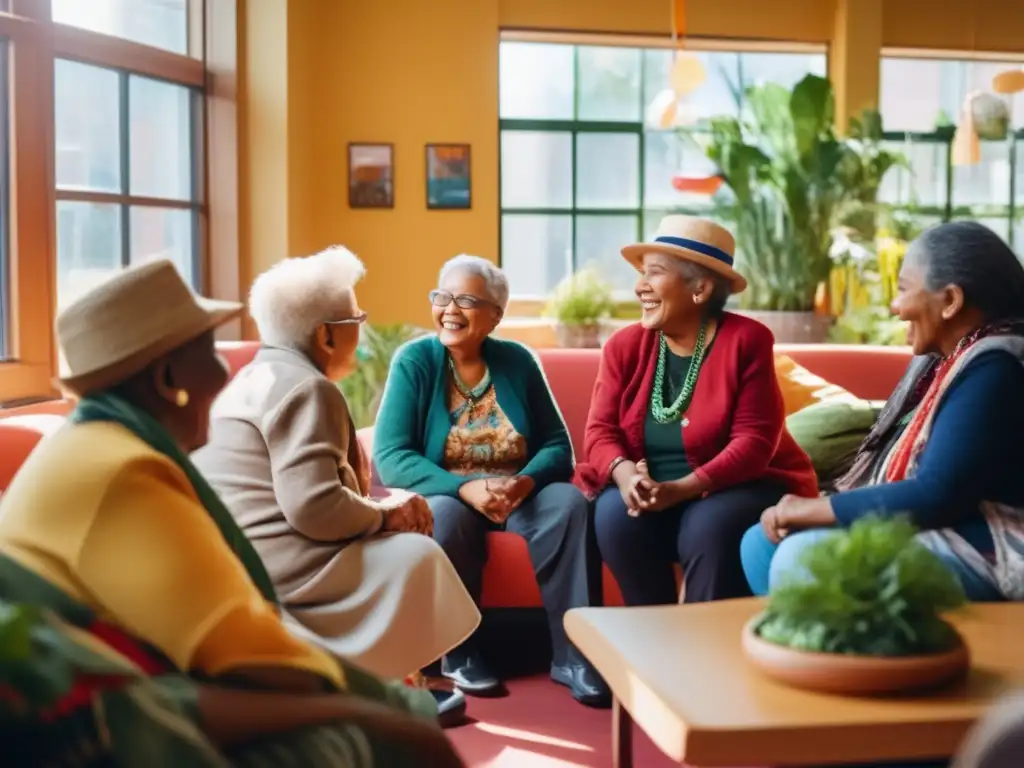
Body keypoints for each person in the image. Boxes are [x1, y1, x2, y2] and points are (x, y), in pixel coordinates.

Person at [0, 260, 463, 766]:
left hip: (93, 695)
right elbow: (262, 665)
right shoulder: (126, 472)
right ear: (168, 377)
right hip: (77, 726)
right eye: (208, 349)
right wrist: (386, 713)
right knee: (357, 742)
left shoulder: (94, 444)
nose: (224, 370)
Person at [192, 247, 480, 723]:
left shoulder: (255, 376)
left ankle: (392, 679)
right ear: (327, 334)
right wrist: (389, 515)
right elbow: (314, 507)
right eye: (356, 318)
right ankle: (384, 685)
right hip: (284, 572)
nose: (361, 328)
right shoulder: (308, 388)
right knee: (416, 553)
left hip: (238, 562)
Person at [740, 221, 1024, 603]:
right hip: (951, 524)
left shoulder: (996, 370)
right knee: (760, 543)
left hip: (992, 547)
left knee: (801, 556)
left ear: (951, 301)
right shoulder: (950, 360)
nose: (895, 305)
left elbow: (938, 494)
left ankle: (849, 655)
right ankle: (812, 651)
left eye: (904, 289)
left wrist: (813, 509)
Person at [372, 254, 608, 708]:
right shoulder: (414, 362)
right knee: (442, 515)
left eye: (466, 299)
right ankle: (460, 654)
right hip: (451, 492)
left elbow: (559, 445)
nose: (450, 309)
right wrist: (463, 488)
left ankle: (574, 656)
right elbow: (391, 455)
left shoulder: (518, 361)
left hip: (517, 492)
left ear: (496, 315)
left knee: (569, 506)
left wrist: (523, 482)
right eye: (442, 296)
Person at [575, 215, 818, 607]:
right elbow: (600, 432)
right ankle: (651, 641)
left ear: (700, 288)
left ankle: (706, 643)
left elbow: (754, 442)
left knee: (709, 525)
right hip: (653, 486)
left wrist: (683, 488)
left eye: (654, 273)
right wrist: (626, 479)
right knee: (615, 516)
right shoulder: (623, 346)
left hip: (738, 485)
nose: (640, 287)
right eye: (641, 274)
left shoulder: (747, 340)